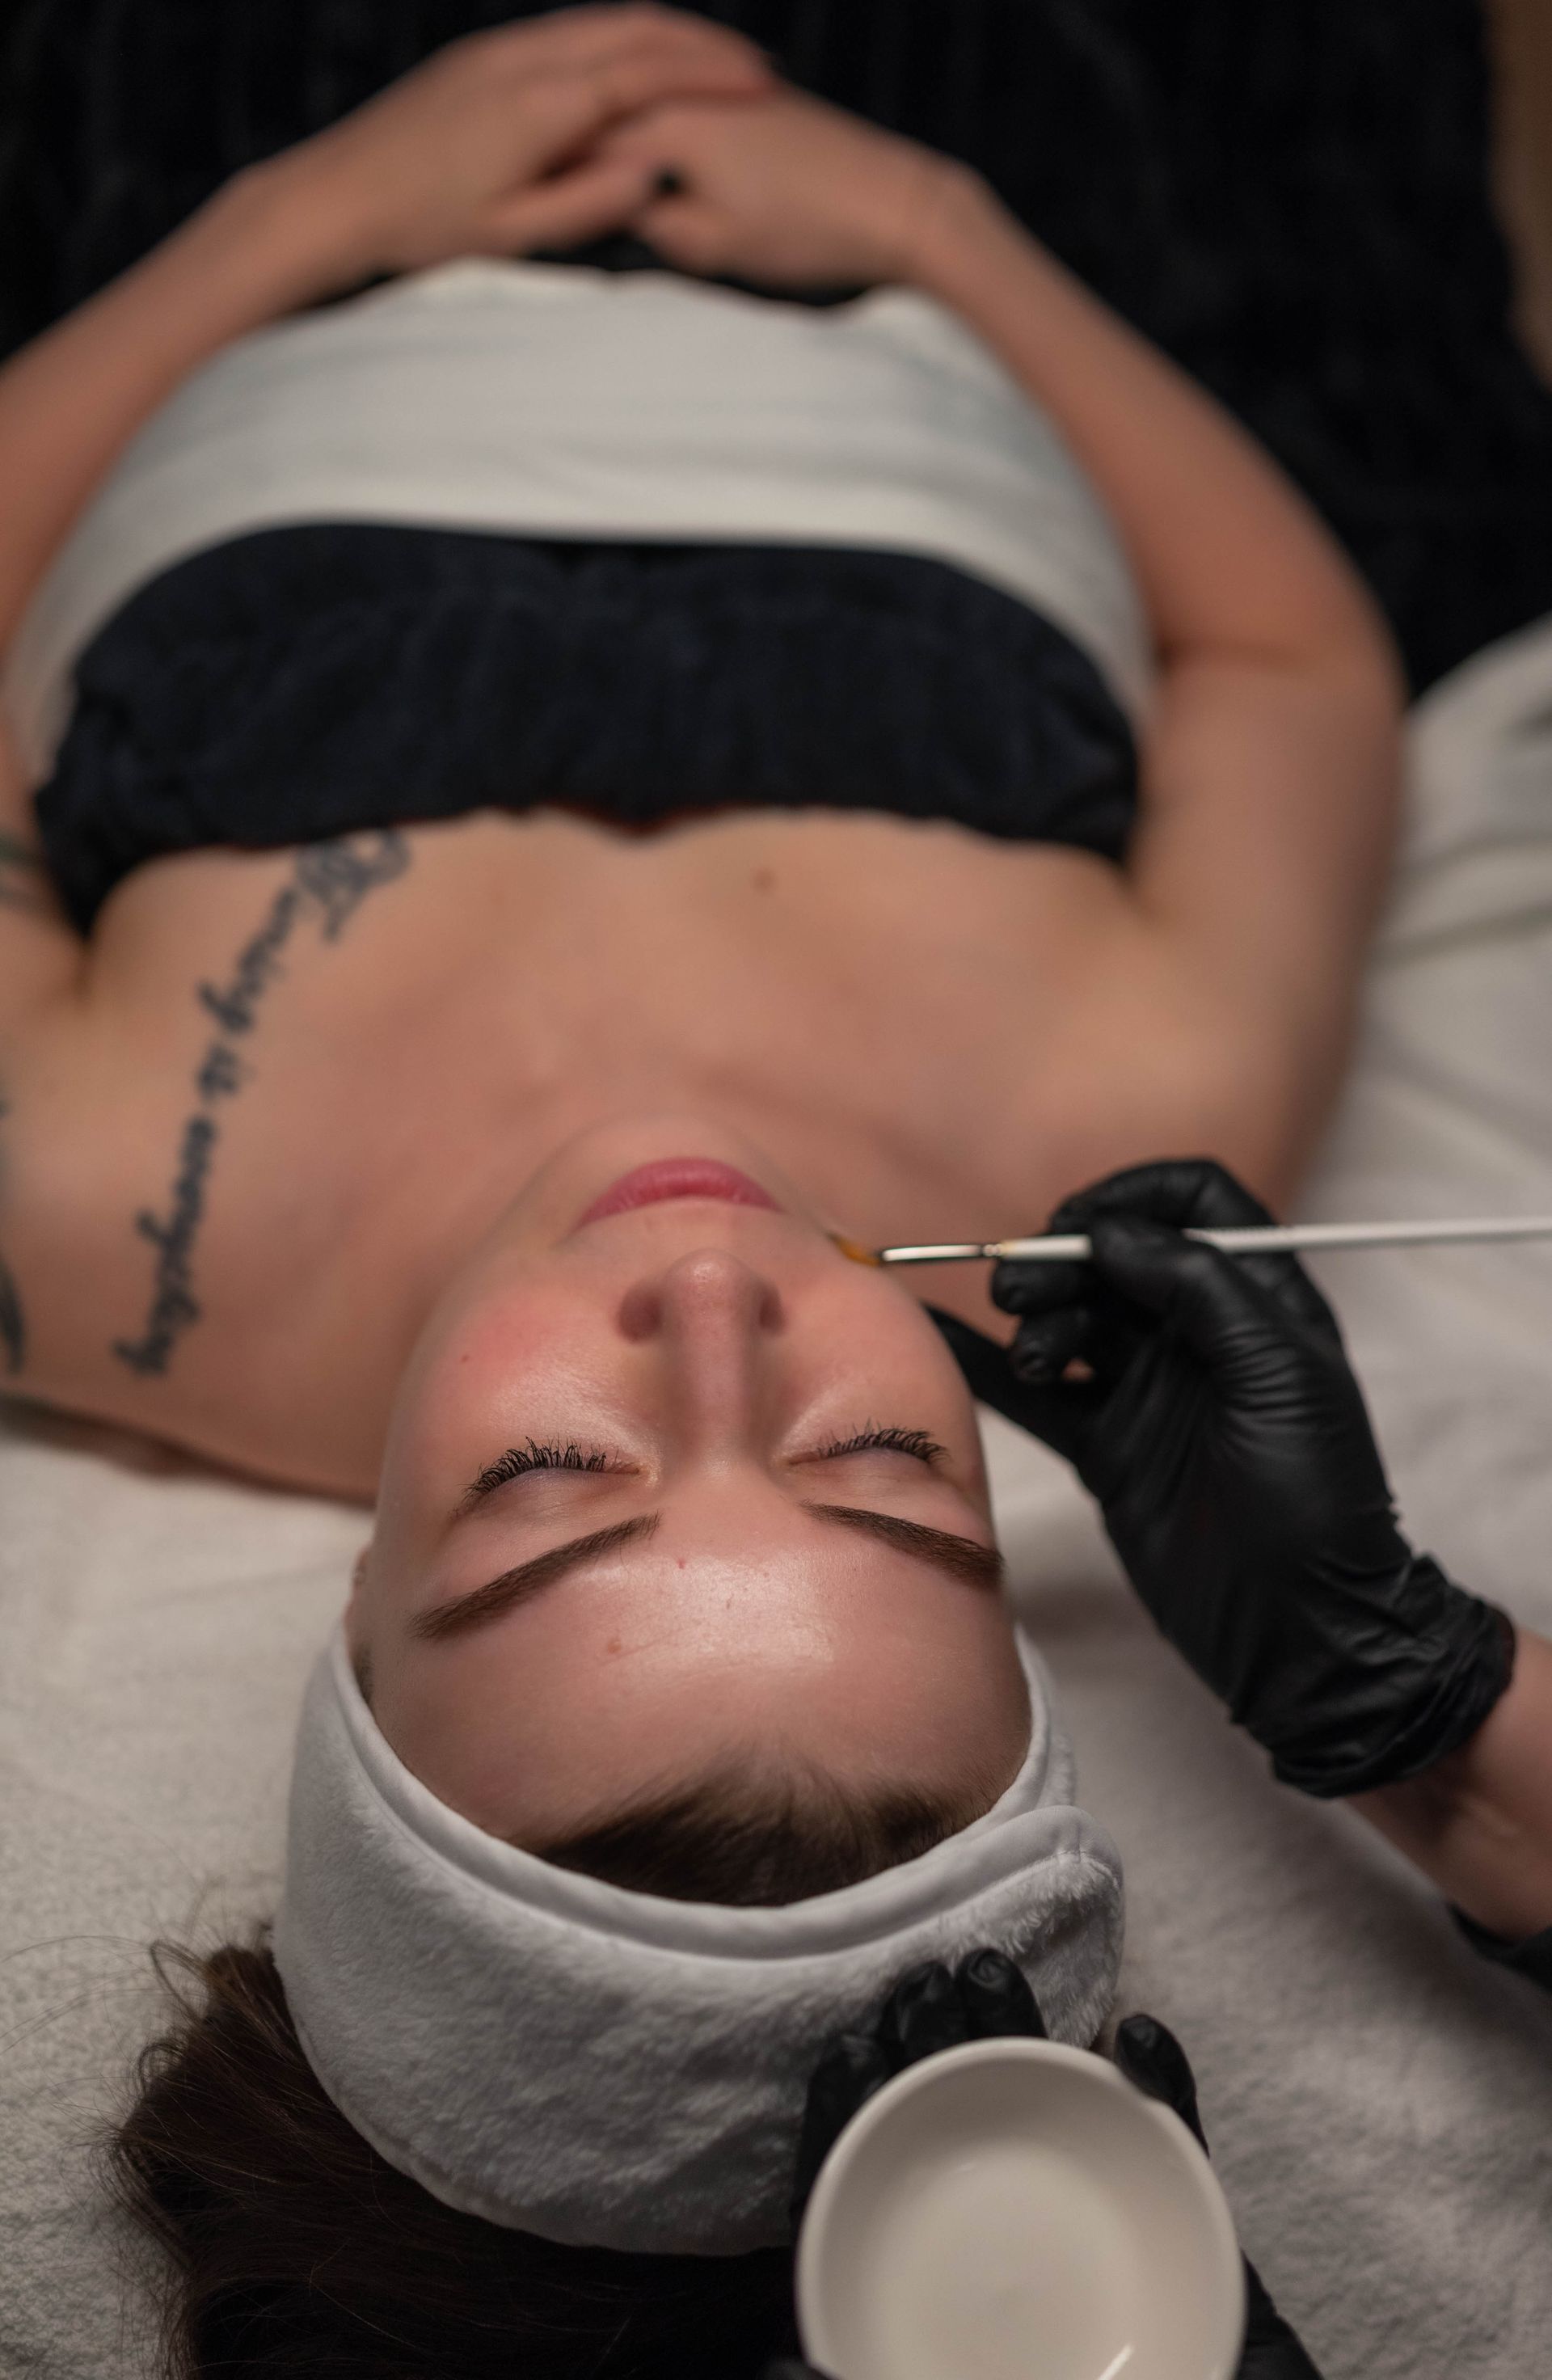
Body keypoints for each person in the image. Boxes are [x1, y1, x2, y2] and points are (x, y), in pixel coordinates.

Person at [0, 8, 1404, 2368]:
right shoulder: (1115, 1157)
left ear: (345, 1623)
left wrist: (301, 216)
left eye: (556, 1477)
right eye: (889, 1456)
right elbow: (1289, 666)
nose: (719, 1317)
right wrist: (932, 227)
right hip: (937, 246)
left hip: (252, 257)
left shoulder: (93, 1231)